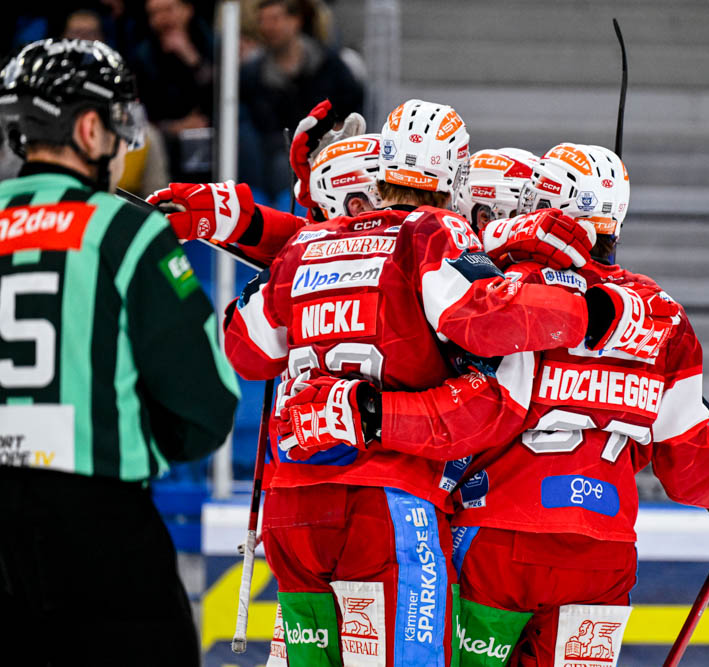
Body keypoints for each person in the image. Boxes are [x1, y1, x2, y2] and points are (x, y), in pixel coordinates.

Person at [153, 98, 612, 666]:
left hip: (293, 507)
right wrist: (583, 307)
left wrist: (269, 237)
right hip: (388, 501)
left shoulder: (305, 244)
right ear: (456, 177)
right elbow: (485, 317)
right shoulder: (433, 230)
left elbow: (245, 348)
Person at [365, 142, 709, 666]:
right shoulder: (665, 317)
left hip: (495, 539)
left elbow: (453, 400)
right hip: (602, 555)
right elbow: (689, 469)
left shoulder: (506, 291)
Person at [0, 39, 240, 666]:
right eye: (114, 124)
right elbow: (207, 403)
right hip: (99, 522)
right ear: (88, 129)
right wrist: (134, 436)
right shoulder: (125, 229)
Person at [240, 0, 364, 200]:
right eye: (262, 21)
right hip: (274, 156)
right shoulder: (252, 74)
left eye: (275, 19)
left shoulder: (328, 63)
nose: (267, 27)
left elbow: (352, 104)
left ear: (295, 20)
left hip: (324, 148)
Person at [132, 0, 215, 178]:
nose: (162, 18)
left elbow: (225, 94)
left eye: (168, 9)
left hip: (212, 130)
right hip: (167, 138)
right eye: (154, 13)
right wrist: (174, 127)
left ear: (188, 10)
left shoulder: (210, 43)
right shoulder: (143, 56)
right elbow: (141, 112)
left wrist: (192, 58)